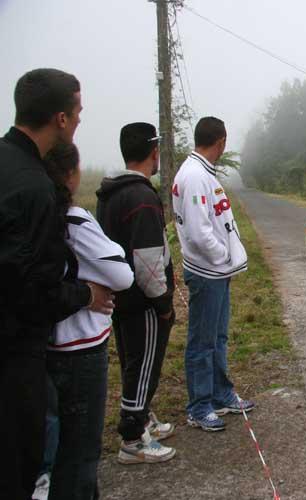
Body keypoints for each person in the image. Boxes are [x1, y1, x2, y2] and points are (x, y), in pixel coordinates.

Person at [0, 68, 113, 498]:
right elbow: (31, 290)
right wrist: (87, 293)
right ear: (61, 119)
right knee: (24, 464)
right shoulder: (35, 189)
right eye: (79, 111)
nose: (82, 119)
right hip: (18, 356)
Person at [41, 143, 134, 499]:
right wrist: (89, 289)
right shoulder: (75, 219)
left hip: (45, 345)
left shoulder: (37, 217)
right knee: (81, 451)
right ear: (70, 174)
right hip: (81, 348)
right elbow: (122, 275)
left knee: (57, 447)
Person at [96, 122, 176, 464]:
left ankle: (142, 418)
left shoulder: (112, 192)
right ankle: (133, 438)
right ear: (153, 151)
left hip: (121, 297)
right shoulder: (141, 196)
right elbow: (147, 261)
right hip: (141, 300)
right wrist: (163, 303)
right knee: (143, 365)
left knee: (133, 362)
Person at [172, 116, 253, 432]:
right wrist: (223, 257)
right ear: (220, 141)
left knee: (217, 337)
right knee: (202, 341)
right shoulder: (194, 176)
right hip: (207, 271)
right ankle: (199, 406)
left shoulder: (202, 173)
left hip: (217, 272)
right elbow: (198, 231)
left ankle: (220, 394)